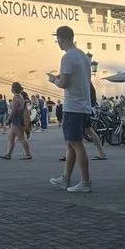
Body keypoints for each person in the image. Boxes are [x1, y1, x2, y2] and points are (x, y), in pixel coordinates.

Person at [47, 25, 93, 193]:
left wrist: (54, 80)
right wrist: (61, 77)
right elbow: (78, 79)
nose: (57, 43)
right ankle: (65, 178)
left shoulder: (67, 57)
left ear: (62, 39)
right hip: (83, 104)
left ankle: (85, 182)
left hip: (73, 106)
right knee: (71, 143)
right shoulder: (83, 56)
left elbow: (64, 83)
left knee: (76, 143)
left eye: (57, 40)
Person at [0, 82, 33, 160]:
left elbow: (14, 111)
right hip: (19, 118)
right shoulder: (21, 96)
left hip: (16, 119)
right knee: (11, 137)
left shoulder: (16, 98)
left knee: (21, 137)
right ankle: (8, 154)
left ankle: (28, 154)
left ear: (13, 89)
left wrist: (8, 120)